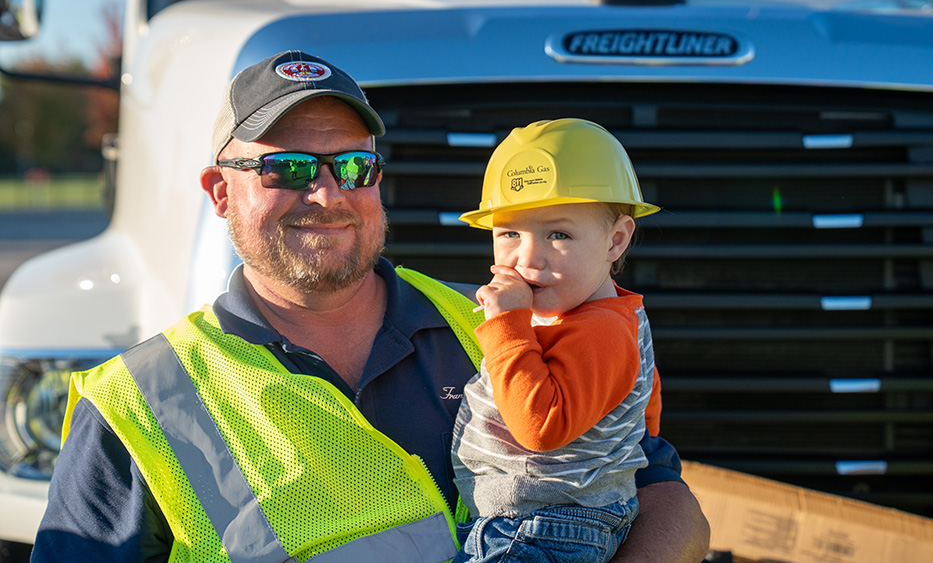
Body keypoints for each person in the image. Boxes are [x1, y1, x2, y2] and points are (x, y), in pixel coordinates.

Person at [32, 51, 710, 563]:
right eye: (288, 168)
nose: (327, 194)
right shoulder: (139, 401)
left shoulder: (495, 326)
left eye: (353, 167)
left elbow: (660, 495)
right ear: (219, 191)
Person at [450, 118, 664, 563]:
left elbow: (539, 429)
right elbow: (647, 414)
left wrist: (508, 324)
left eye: (559, 234)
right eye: (509, 233)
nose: (528, 258)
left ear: (616, 240)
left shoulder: (601, 329)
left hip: (543, 527)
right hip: (537, 522)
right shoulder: (594, 318)